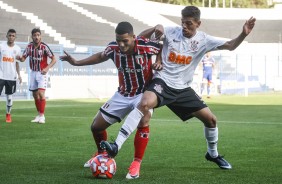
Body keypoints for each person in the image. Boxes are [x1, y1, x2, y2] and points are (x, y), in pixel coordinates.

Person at [101, 6, 256, 171]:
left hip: (183, 89)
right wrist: (156, 28)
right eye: (182, 23)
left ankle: (213, 154)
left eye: (189, 24)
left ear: (198, 23)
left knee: (211, 120)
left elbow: (231, 45)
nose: (184, 27)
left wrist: (244, 34)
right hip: (162, 82)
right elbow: (139, 39)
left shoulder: (204, 40)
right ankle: (116, 145)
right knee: (145, 103)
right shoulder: (171, 32)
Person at [59, 22, 162, 179]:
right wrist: (76, 62)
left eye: (125, 41)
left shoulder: (145, 46)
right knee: (96, 126)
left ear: (134, 38)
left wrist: (159, 58)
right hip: (121, 94)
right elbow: (100, 56)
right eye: (118, 40)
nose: (121, 44)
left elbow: (161, 46)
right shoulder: (113, 48)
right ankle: (102, 154)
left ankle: (136, 163)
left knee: (144, 119)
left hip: (143, 94)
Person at [17, 28, 56, 124]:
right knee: (35, 95)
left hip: (42, 73)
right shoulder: (29, 47)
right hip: (33, 72)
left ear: (40, 36)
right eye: (34, 35)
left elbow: (54, 59)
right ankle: (39, 115)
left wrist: (47, 68)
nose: (36, 37)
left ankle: (42, 116)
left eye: (38, 35)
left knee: (41, 93)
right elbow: (23, 58)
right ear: (32, 37)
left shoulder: (44, 47)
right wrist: (19, 58)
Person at [0, 29, 22, 123]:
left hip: (11, 76)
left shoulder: (17, 49)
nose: (11, 37)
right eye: (9, 35)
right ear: (6, 36)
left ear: (15, 37)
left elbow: (17, 63)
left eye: (13, 36)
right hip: (1, 75)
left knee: (9, 97)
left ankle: (8, 114)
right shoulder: (1, 46)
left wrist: (19, 75)